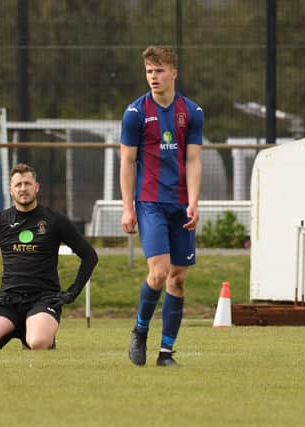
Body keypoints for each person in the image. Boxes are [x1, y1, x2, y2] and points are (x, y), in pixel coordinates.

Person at [120, 46, 204, 367]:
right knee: (159, 272)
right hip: (150, 202)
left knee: (178, 279)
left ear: (173, 73)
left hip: (180, 204)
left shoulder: (192, 112)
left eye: (159, 71)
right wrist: (128, 207)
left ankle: (166, 352)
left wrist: (194, 202)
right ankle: (140, 330)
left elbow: (194, 159)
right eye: (149, 72)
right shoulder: (135, 114)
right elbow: (127, 163)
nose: (153, 77)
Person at [0, 163, 98, 350]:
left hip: (43, 300)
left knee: (38, 342)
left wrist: (70, 294)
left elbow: (89, 256)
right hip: (8, 301)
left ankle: (39, 334)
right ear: (10, 190)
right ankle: (14, 328)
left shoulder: (54, 220)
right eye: (18, 185)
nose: (23, 189)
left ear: (37, 187)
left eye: (27, 183)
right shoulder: (0, 221)